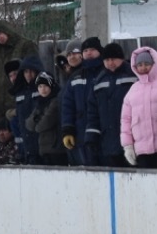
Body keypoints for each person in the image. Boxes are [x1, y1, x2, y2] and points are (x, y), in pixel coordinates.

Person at [120, 46, 157, 169]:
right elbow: (126, 120)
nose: (143, 67)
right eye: (140, 65)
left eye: (147, 64)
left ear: (154, 64)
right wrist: (128, 146)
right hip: (142, 150)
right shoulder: (133, 90)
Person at [0, 21, 37, 140]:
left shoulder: (26, 45)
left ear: (8, 31)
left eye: (0, 33)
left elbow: (34, 68)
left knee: (18, 133)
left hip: (18, 98)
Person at [86, 42, 136, 167]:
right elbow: (93, 111)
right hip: (107, 140)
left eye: (113, 59)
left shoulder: (132, 76)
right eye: (107, 60)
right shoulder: (99, 80)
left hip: (131, 139)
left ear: (121, 59)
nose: (110, 63)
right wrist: (92, 135)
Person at [61, 36, 102, 167]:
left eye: (92, 50)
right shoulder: (75, 77)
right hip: (80, 132)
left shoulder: (104, 73)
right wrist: (68, 129)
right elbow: (67, 105)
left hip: (102, 131)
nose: (88, 53)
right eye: (86, 50)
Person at [26, 72, 68, 166]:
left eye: (45, 86)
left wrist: (37, 120)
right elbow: (28, 124)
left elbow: (42, 125)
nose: (42, 89)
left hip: (57, 149)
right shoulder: (40, 103)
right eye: (40, 86)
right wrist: (37, 119)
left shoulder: (55, 101)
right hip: (44, 149)